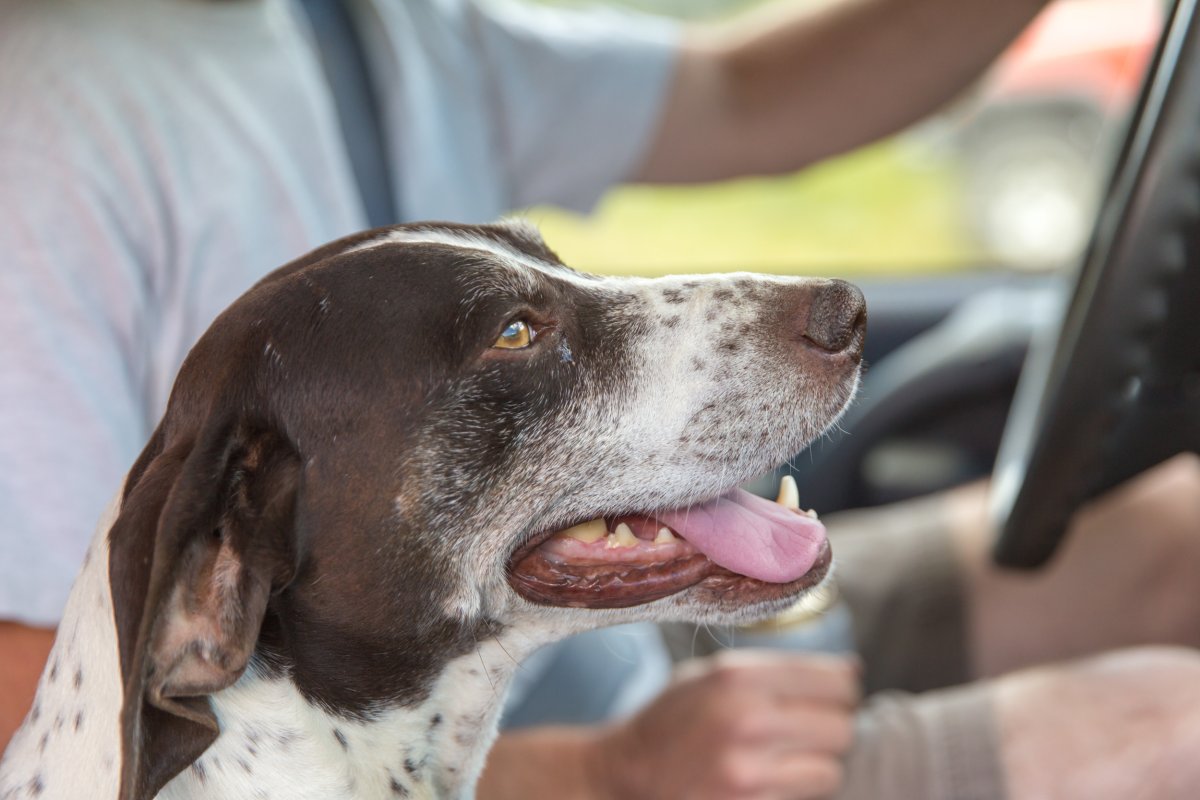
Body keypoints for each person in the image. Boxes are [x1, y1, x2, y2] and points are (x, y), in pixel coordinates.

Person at [4, 0, 1200, 797]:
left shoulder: (369, 31)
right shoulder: (45, 140)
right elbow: (38, 704)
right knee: (1170, 728)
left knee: (1179, 531)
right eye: (520, 332)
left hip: (570, 658)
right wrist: (608, 771)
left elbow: (753, 96)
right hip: (595, 754)